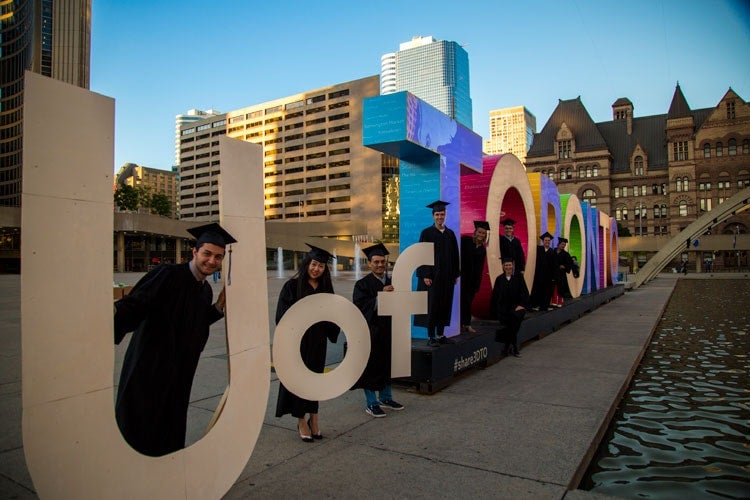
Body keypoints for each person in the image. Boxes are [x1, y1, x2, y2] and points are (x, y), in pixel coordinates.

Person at [114, 222, 232, 457]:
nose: (212, 261)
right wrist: (106, 320)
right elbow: (134, 306)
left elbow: (195, 324)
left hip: (179, 373)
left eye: (218, 257)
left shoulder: (204, 290)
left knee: (169, 426)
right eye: (207, 254)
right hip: (149, 368)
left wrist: (218, 308)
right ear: (194, 252)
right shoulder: (167, 275)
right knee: (140, 427)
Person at [275, 244, 340, 442]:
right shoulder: (292, 287)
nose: (316, 269)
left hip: (318, 341)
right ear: (307, 264)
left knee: (315, 379)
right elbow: (282, 316)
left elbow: (332, 315)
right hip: (298, 342)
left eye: (321, 266)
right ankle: (301, 419)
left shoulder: (325, 289)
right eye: (314, 264)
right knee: (298, 380)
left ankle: (314, 417)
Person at [351, 243, 405, 418]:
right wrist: (380, 296)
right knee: (371, 366)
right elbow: (359, 307)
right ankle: (371, 403)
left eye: (383, 262)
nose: (380, 265)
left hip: (389, 330)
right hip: (371, 332)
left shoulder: (393, 281)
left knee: (388, 364)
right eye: (376, 262)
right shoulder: (362, 284)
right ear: (369, 264)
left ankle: (386, 397)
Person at [415, 200, 460, 346]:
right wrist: (426, 274)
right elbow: (421, 255)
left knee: (444, 304)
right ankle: (431, 336)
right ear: (433, 216)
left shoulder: (450, 234)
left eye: (442, 214)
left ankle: (440, 334)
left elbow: (455, 256)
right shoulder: (427, 233)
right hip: (433, 277)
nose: (440, 217)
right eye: (437, 214)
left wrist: (455, 275)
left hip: (447, 277)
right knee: (432, 305)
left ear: (445, 215)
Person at [491, 256, 529, 357]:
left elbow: (524, 292)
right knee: (512, 323)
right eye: (506, 265)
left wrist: (521, 305)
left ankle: (509, 346)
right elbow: (495, 295)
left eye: (510, 265)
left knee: (515, 319)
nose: (508, 267)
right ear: (503, 267)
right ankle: (513, 347)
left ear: (513, 266)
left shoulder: (519, 277)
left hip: (516, 307)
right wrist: (496, 309)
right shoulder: (499, 279)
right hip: (503, 308)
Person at [460, 220, 489, 333]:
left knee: (468, 301)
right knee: (462, 301)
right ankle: (463, 324)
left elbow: (480, 267)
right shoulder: (466, 241)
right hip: (462, 277)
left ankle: (466, 324)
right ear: (475, 232)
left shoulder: (482, 249)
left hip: (473, 280)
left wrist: (477, 283)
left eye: (483, 233)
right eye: (480, 232)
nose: (481, 235)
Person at [530, 232, 556, 311]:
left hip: (548, 275)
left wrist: (553, 276)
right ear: (542, 241)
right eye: (545, 240)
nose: (547, 241)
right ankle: (536, 305)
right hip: (538, 274)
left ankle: (545, 306)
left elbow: (554, 265)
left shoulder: (552, 251)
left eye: (548, 240)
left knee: (547, 291)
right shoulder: (538, 249)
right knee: (538, 290)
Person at [553, 237, 574, 303]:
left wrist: (564, 267)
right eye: (562, 244)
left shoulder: (566, 254)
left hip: (561, 275)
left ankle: (559, 301)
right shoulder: (553, 251)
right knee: (553, 288)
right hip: (553, 273)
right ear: (558, 244)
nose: (563, 246)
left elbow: (570, 264)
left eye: (564, 245)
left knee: (560, 288)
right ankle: (553, 301)